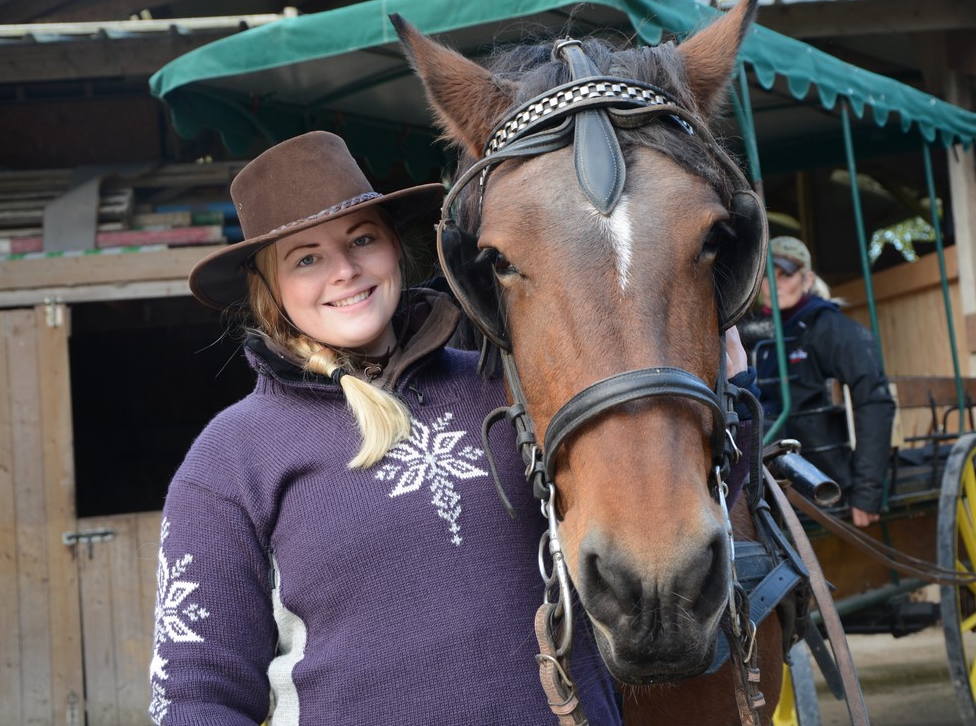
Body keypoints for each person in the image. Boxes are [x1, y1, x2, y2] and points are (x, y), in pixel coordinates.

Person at [148, 131, 621, 726]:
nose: (345, 271)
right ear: (270, 292)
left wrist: (719, 396)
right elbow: (194, 698)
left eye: (362, 239)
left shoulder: (513, 388)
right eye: (307, 258)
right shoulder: (231, 458)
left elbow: (655, 527)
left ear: (396, 247)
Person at [739, 235, 895, 528]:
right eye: (767, 275)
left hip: (821, 477)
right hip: (758, 470)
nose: (775, 283)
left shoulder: (831, 328)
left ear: (807, 278)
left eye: (785, 274)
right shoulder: (748, 333)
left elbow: (874, 401)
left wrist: (867, 492)